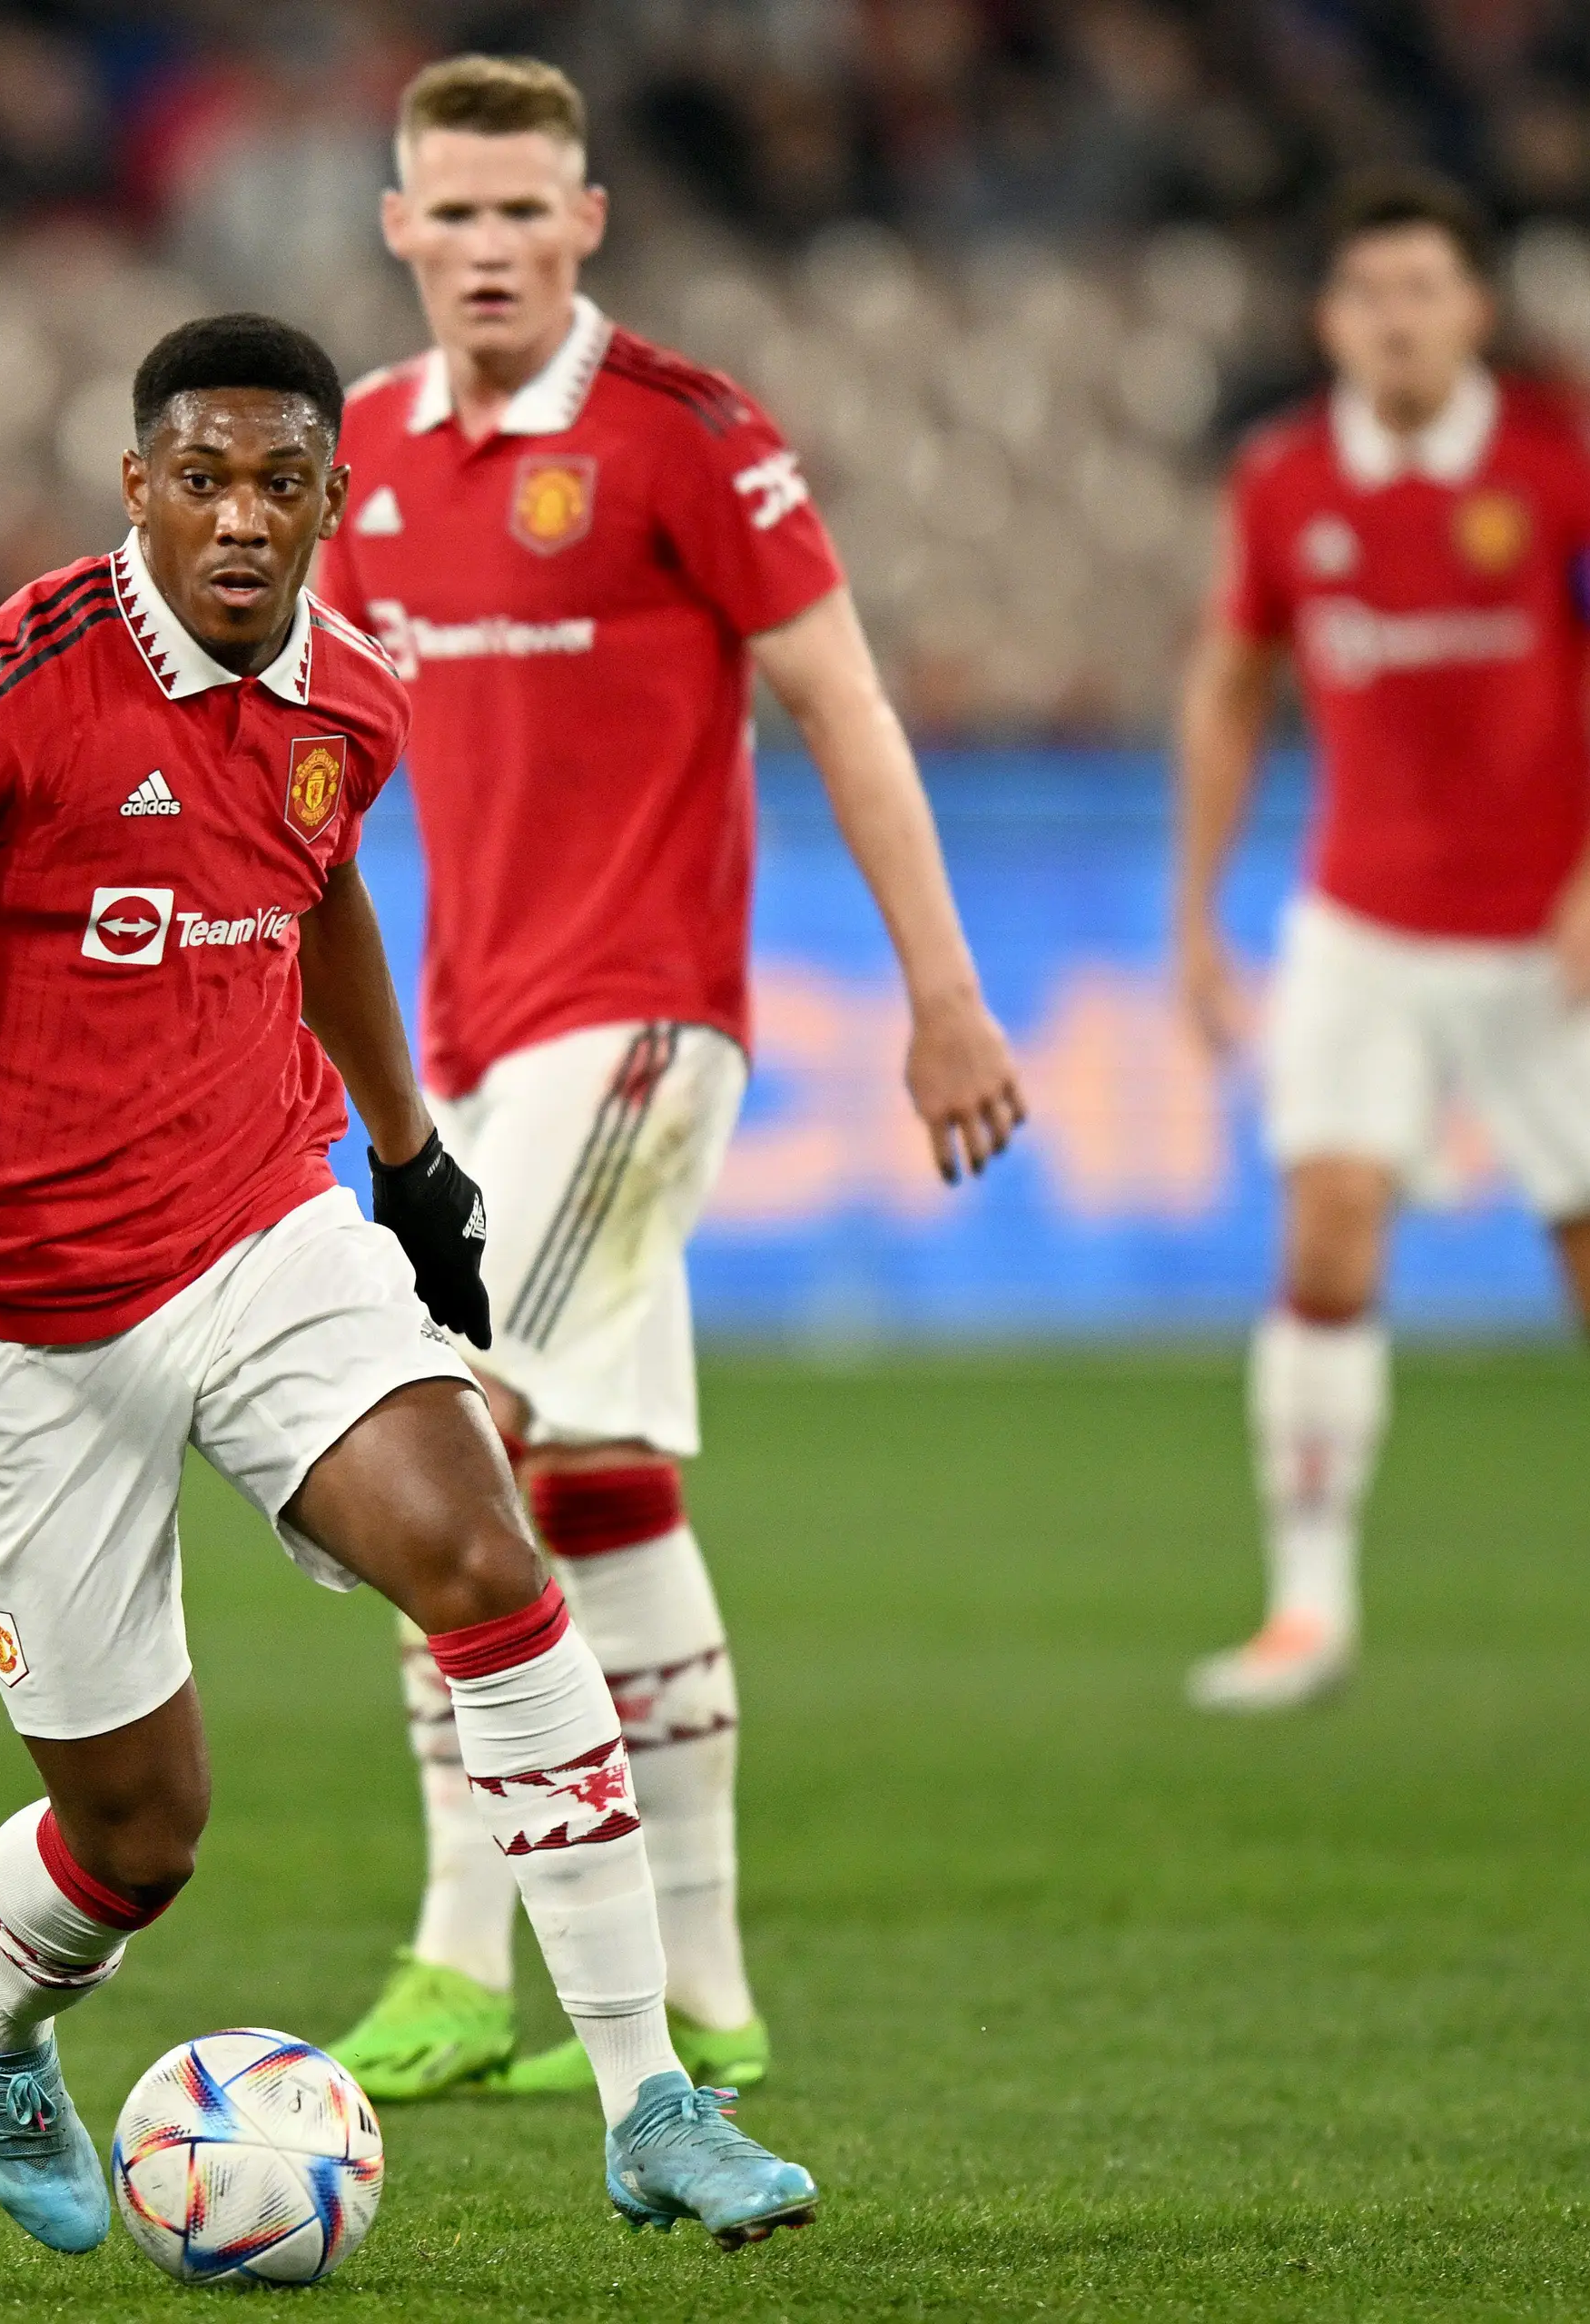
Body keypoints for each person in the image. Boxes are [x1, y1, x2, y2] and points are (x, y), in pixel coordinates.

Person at [0, 312, 823, 2252]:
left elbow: (322, 886)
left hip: (257, 1230)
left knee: (486, 1555)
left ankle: (649, 2096)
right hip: (21, 1317)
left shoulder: (354, 696)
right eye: (202, 480)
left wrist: (407, 1147)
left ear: (329, 500)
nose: (240, 517)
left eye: (279, 484)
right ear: (138, 488)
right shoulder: (8, 688)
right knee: (139, 1836)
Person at [317, 54, 1027, 2103]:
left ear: (587, 222)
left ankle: (460, 1959)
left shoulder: (688, 435)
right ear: (400, 228)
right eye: (453, 213)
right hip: (467, 1042)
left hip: (638, 1022)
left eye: (522, 211)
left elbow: (845, 702)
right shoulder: (371, 449)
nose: (488, 248)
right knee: (603, 1481)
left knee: (446, 1443)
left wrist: (945, 993)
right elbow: (316, 763)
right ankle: (709, 1995)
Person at [1172, 169, 1590, 1714]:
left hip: (1542, 937)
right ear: (1328, 320)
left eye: (1422, 290)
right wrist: (1195, 914)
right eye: (1366, 293)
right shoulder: (1281, 481)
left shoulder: (1566, 466)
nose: (1394, 318)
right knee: (1326, 1235)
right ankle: (1308, 1605)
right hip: (1358, 925)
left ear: (1476, 312)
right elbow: (1232, 688)